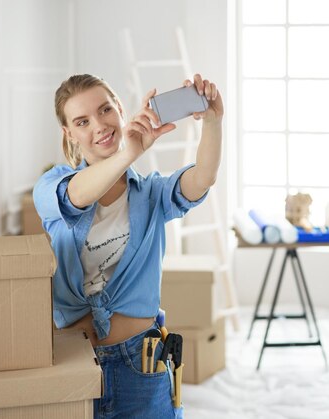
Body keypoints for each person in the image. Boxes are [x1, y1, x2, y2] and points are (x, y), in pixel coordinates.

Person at [33, 73, 223, 418]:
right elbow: (77, 195)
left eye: (106, 110)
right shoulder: (52, 186)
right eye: (82, 121)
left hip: (141, 363)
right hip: (75, 364)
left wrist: (212, 121)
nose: (99, 125)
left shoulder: (151, 194)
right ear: (69, 133)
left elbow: (202, 179)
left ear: (120, 109)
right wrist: (129, 153)